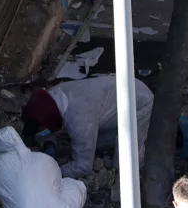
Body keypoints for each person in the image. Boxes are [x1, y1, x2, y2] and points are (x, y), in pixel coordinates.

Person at [20, 74, 154, 179]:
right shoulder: (51, 97)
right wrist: (49, 143)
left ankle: (146, 159)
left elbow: (83, 166)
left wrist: (54, 173)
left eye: (40, 129)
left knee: (124, 163)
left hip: (139, 101)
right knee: (97, 144)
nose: (41, 132)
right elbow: (48, 123)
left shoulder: (79, 121)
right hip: (116, 95)